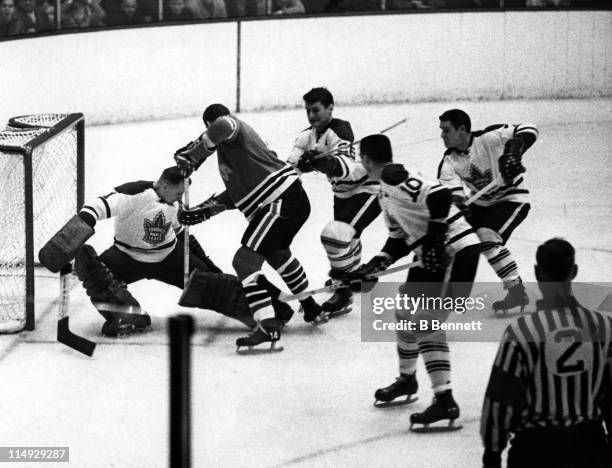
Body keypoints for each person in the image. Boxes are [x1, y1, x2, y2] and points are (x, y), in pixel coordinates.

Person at [349, 134, 482, 430]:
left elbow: (440, 196)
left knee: (426, 323)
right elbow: (399, 237)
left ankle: (445, 400)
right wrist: (375, 263)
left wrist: (435, 237)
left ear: (366, 160)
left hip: (455, 252)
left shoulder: (393, 175)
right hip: (431, 255)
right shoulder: (385, 191)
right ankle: (407, 380)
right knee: (406, 315)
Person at [40, 167, 268, 337]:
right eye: (178, 193)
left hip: (169, 257)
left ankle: (268, 311)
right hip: (126, 257)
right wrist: (70, 238)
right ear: (166, 186)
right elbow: (96, 207)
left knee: (213, 283)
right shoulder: (135, 194)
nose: (181, 199)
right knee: (90, 267)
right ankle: (127, 316)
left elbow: (182, 234)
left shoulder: (176, 204)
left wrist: (207, 265)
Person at [174, 103, 324, 351]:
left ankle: (268, 325)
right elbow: (237, 195)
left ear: (209, 127)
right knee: (277, 255)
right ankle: (310, 306)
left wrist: (195, 153)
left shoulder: (233, 128)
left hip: (280, 201)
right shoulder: (230, 155)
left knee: (244, 262)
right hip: (284, 200)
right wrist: (203, 211)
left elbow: (224, 124)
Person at [481, 238, 612, 468]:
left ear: (537, 273)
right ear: (574, 271)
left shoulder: (522, 331)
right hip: (589, 447)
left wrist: (492, 455)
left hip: (535, 451)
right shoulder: (604, 327)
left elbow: (500, 399)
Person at [287, 87, 381, 319]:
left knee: (339, 235)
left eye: (316, 110)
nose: (311, 115)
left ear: (330, 108)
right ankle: (355, 275)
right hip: (341, 192)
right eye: (308, 110)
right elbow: (289, 170)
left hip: (368, 189)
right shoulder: (305, 136)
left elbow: (343, 164)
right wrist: (298, 167)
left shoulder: (341, 129)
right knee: (349, 235)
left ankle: (343, 290)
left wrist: (322, 163)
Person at [438, 109, 539, 314]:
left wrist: (513, 152)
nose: (442, 135)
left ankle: (516, 291)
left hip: (511, 197)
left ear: (462, 129)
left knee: (486, 236)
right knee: (459, 237)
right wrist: (458, 206)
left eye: (446, 130)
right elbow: (453, 195)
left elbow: (529, 128)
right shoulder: (449, 161)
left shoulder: (488, 138)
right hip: (480, 202)